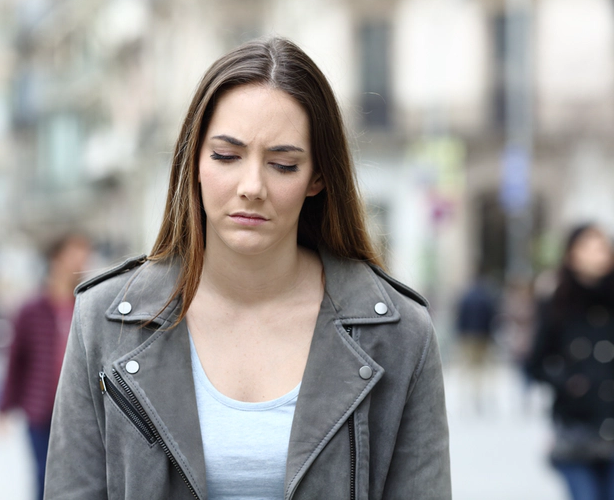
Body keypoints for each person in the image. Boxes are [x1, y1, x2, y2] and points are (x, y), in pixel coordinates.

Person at [45, 37, 450, 500]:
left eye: (283, 163)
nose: (252, 186)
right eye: (226, 156)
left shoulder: (400, 334)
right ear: (194, 160)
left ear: (317, 176)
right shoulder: (104, 319)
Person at [0, 234, 92, 500]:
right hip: (41, 409)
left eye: (85, 255)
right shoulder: (31, 309)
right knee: (44, 476)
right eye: (74, 254)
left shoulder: (89, 303)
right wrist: (3, 407)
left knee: (83, 481)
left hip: (82, 411)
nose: (81, 261)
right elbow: (15, 360)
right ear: (56, 258)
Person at [526, 224, 614, 500]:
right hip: (576, 428)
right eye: (587, 247)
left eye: (602, 248)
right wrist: (569, 384)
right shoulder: (557, 303)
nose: (596, 255)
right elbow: (534, 363)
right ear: (571, 254)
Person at [455, 270, 498, 414]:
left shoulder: (466, 297)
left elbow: (459, 317)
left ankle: (467, 397)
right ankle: (479, 397)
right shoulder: (486, 297)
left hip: (467, 337)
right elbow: (491, 318)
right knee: (481, 369)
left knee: (467, 368)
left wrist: (460, 335)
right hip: (483, 337)